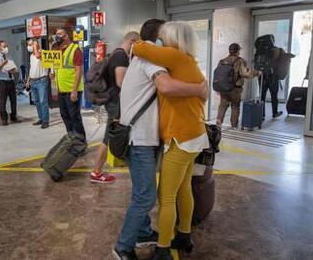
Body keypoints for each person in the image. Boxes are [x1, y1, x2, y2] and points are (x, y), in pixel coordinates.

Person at [113, 20, 208, 260]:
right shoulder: (154, 59)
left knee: (152, 192)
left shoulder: (165, 59)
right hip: (145, 138)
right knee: (148, 195)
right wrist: (199, 89)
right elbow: (165, 86)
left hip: (169, 137)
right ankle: (123, 247)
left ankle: (151, 235)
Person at [90, 31, 139, 185]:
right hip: (115, 103)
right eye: (138, 44)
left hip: (112, 101)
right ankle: (96, 172)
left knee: (108, 137)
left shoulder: (115, 55)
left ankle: (97, 172)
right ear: (132, 41)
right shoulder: (121, 56)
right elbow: (121, 82)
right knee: (109, 137)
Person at [216, 43, 260, 128]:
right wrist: (256, 73)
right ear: (238, 51)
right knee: (235, 106)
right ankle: (233, 125)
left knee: (223, 105)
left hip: (223, 88)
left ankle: (218, 122)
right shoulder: (239, 61)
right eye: (239, 50)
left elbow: (218, 75)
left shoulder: (222, 61)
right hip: (235, 89)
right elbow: (244, 74)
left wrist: (219, 87)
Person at [53, 27, 86, 137]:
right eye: (56, 34)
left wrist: (74, 91)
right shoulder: (58, 50)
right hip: (61, 89)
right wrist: (53, 73)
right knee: (65, 115)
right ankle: (72, 139)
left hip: (72, 90)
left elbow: (79, 71)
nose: (57, 36)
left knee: (75, 117)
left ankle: (81, 142)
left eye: (59, 34)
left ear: (66, 36)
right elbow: (58, 68)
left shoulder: (75, 49)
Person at [0, 40, 20, 125]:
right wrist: (3, 64)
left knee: (13, 100)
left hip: (10, 80)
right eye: (4, 46)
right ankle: (4, 119)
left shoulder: (8, 56)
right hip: (1, 81)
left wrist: (13, 70)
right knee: (3, 100)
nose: (6, 48)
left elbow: (12, 67)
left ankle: (14, 117)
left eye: (6, 46)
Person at [26, 38, 50, 129]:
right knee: (37, 101)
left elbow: (38, 56)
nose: (29, 47)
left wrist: (36, 46)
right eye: (29, 45)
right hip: (33, 81)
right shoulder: (31, 56)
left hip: (42, 80)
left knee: (43, 101)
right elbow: (31, 68)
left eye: (31, 44)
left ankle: (45, 121)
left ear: (36, 44)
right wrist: (28, 80)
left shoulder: (43, 52)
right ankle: (41, 118)